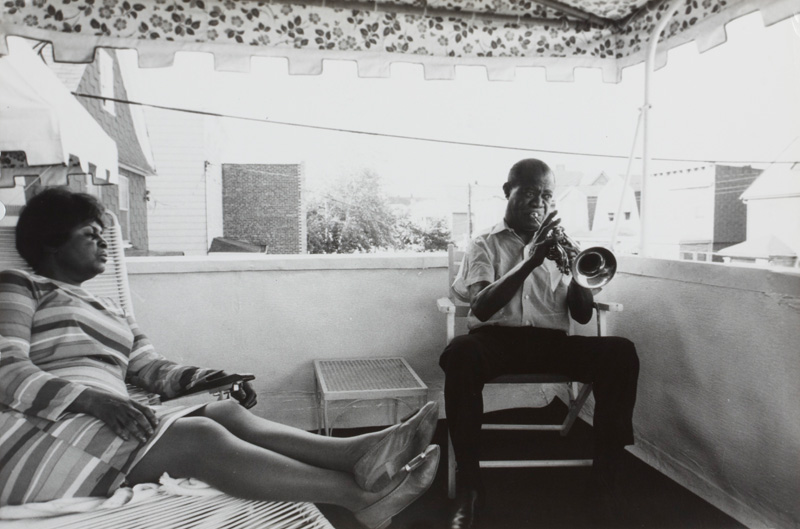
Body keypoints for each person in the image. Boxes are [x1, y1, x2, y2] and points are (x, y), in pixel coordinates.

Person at [0, 187, 440, 529]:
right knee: (199, 437)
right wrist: (96, 401)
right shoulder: (19, 286)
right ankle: (360, 497)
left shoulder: (112, 310)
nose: (103, 243)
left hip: (96, 419)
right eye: (90, 234)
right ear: (51, 243)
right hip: (35, 431)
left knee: (224, 410)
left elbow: (152, 370)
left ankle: (357, 452)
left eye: (102, 233)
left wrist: (213, 379)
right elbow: (7, 370)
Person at [440, 159, 639, 529]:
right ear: (508, 191)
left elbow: (582, 316)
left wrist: (577, 276)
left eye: (547, 195)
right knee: (461, 353)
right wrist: (530, 262)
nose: (540, 202)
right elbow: (481, 307)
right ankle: (470, 485)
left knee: (620, 352)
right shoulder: (483, 243)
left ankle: (604, 481)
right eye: (531, 192)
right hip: (495, 341)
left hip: (550, 342)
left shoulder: (562, 246)